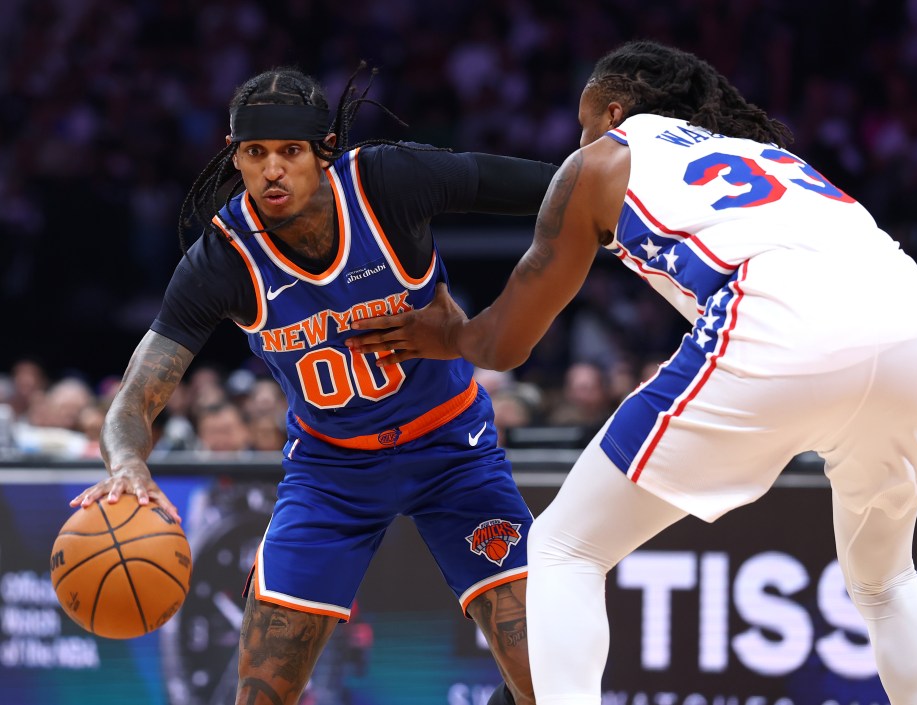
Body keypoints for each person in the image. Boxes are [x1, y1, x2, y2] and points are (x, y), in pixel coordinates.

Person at [348, 41, 917, 704]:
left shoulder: (601, 161)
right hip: (915, 320)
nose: (577, 142)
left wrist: (446, 332)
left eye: (584, 124)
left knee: (563, 548)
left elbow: (505, 343)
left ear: (613, 113)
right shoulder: (769, 155)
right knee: (886, 580)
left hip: (781, 320)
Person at [72, 66, 557, 705]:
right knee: (261, 693)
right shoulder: (222, 259)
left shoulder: (387, 183)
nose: (273, 170)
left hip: (452, 450)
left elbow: (555, 190)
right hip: (332, 473)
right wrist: (129, 461)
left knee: (547, 678)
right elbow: (134, 397)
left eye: (291, 152)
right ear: (234, 156)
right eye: (256, 153)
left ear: (323, 150)